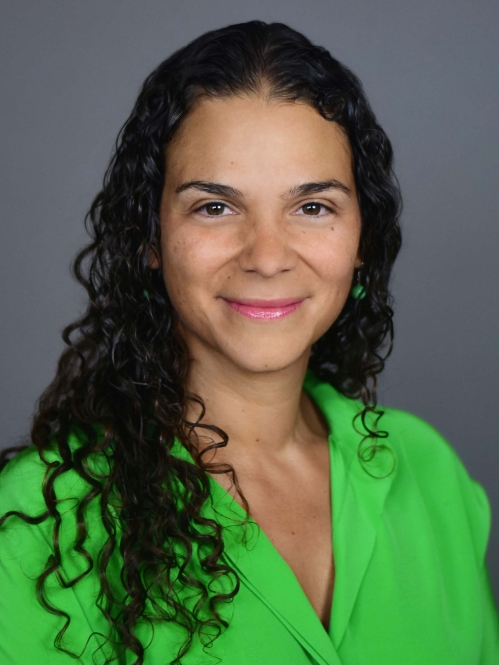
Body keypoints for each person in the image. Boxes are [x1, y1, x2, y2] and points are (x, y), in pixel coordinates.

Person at [0, 19, 497, 665]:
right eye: (214, 206)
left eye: (312, 206)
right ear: (148, 238)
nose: (266, 256)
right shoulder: (38, 517)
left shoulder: (425, 468)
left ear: (361, 240)